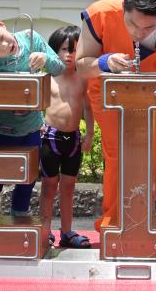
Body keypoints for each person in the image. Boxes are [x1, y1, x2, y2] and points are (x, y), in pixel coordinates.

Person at [75, 0, 156, 232]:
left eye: (148, 28)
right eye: (132, 24)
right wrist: (105, 62)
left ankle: (138, 217)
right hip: (110, 99)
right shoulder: (100, 14)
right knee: (118, 159)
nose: (138, 33)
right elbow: (82, 65)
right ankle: (114, 222)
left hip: (153, 101)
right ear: (124, 8)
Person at [0, 18, 66, 217]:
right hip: (2, 133)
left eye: (2, 37)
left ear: (2, 25)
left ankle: (19, 223)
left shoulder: (31, 39)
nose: (4, 46)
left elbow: (60, 68)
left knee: (27, 181)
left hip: (32, 130)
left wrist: (45, 59)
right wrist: (6, 100)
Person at [39, 25, 94, 248]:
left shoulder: (83, 79)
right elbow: (35, 104)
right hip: (49, 138)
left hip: (73, 140)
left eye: (74, 49)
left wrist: (90, 133)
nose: (69, 54)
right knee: (48, 187)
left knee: (69, 187)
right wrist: (37, 126)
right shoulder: (48, 77)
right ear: (55, 50)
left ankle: (67, 231)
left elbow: (88, 108)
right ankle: (45, 231)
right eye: (64, 49)